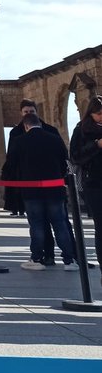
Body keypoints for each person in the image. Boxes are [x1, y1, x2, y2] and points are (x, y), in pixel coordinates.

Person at [11, 112, 77, 271]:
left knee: (37, 225)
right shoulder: (54, 139)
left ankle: (37, 258)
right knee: (60, 223)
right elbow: (64, 161)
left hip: (31, 191)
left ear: (26, 126)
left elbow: (12, 165)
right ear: (39, 124)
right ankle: (69, 260)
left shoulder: (19, 141)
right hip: (54, 189)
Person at [70, 95, 102, 285]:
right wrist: (96, 145)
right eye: (99, 114)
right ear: (90, 113)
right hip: (95, 184)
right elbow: (75, 156)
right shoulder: (82, 130)